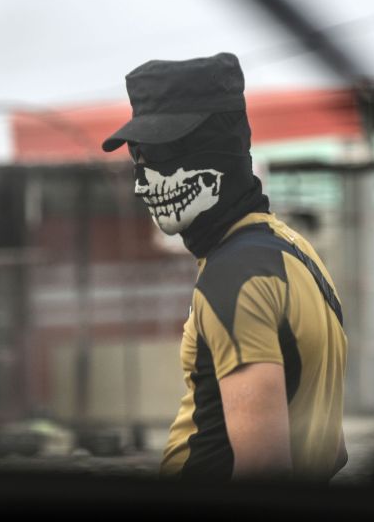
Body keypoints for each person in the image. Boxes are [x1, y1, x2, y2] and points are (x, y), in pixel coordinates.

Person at [101, 52, 348, 482]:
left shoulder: (236, 278)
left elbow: (264, 473)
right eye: (135, 158)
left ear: (212, 152)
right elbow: (334, 450)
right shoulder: (296, 254)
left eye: (154, 156)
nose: (141, 184)